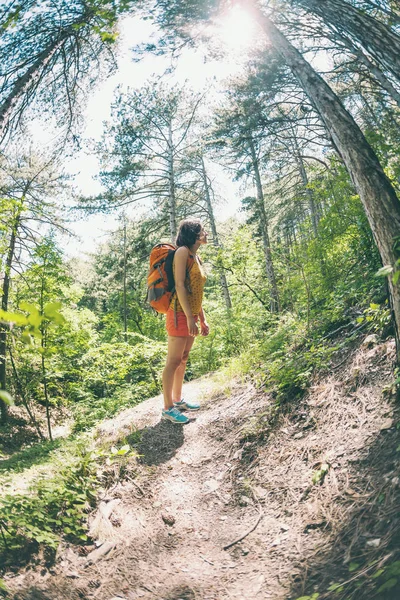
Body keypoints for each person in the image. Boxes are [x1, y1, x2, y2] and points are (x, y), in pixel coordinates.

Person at [161, 218, 209, 424]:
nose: (206, 233)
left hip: (191, 313)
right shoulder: (182, 252)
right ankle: (167, 408)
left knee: (183, 358)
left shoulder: (195, 257)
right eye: (202, 230)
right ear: (194, 234)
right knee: (172, 361)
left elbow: (196, 292)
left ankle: (178, 399)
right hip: (178, 313)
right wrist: (190, 317)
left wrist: (202, 319)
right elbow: (180, 286)